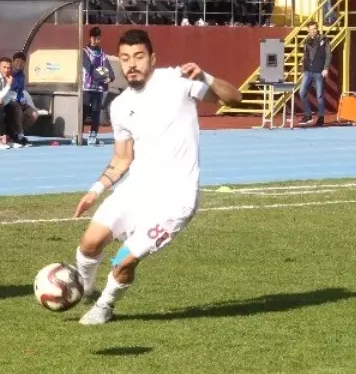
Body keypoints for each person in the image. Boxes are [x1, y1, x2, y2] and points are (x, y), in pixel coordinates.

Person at [70, 29, 242, 326]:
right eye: (125, 58)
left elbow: (235, 98)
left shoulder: (179, 80)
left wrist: (207, 77)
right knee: (89, 243)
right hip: (135, 190)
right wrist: (95, 190)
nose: (131, 64)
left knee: (124, 260)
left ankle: (104, 305)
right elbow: (122, 158)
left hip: (175, 200)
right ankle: (83, 290)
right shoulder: (120, 105)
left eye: (138, 57)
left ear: (152, 58)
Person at [81, 27, 113, 146]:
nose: (97, 40)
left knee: (96, 112)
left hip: (98, 89)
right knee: (83, 112)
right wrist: (103, 78)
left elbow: (107, 66)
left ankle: (93, 135)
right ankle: (80, 135)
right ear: (90, 38)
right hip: (86, 87)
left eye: (99, 38)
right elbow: (89, 68)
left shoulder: (101, 52)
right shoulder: (84, 52)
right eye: (95, 38)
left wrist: (111, 76)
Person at [297, 21, 329, 127]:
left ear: (317, 29)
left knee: (319, 96)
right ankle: (308, 115)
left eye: (314, 28)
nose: (313, 31)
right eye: (310, 29)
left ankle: (321, 117)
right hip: (308, 71)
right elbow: (305, 56)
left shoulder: (324, 39)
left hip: (319, 71)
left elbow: (329, 55)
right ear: (308, 30)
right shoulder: (306, 41)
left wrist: (326, 68)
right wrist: (302, 70)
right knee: (302, 93)